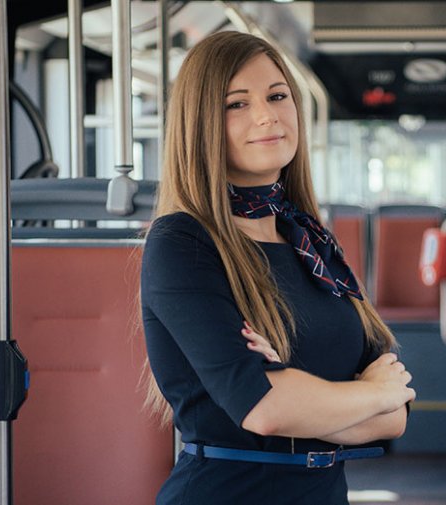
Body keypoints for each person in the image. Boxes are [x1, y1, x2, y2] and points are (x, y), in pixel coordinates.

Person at [140, 31, 415, 505]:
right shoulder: (181, 243)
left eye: (277, 95)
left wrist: (302, 393)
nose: (267, 115)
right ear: (199, 123)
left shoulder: (309, 240)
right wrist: (368, 394)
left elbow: (396, 417)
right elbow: (266, 409)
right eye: (236, 104)